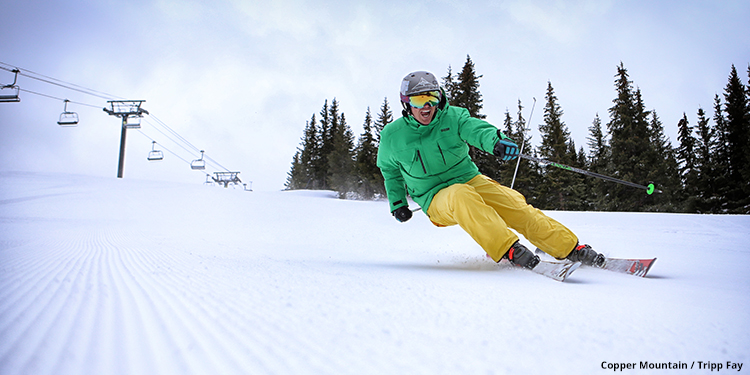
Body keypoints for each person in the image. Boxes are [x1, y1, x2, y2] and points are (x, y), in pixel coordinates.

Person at [376, 71, 604, 269]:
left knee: (514, 205)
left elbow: (477, 129)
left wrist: (496, 141)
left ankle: (570, 248)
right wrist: (398, 203)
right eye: (418, 100)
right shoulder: (392, 136)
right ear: (406, 103)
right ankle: (509, 250)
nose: (426, 106)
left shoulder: (454, 117)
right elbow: (390, 170)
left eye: (431, 97)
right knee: (460, 195)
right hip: (434, 196)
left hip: (469, 179)